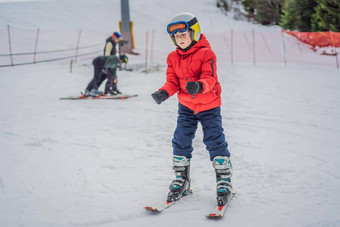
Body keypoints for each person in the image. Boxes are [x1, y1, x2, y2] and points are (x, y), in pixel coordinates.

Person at [151, 13, 233, 206]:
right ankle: (182, 178)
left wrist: (199, 86)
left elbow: (210, 78)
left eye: (183, 34)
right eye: (176, 37)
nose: (180, 39)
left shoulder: (207, 53)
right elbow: (172, 81)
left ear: (194, 33)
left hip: (209, 106)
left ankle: (224, 179)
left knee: (214, 140)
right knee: (180, 139)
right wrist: (164, 92)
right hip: (186, 107)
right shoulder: (172, 57)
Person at [84, 32, 123, 97]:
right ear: (114, 37)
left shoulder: (113, 44)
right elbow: (107, 55)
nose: (118, 40)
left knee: (104, 76)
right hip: (100, 62)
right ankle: (87, 91)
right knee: (97, 76)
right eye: (117, 39)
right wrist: (106, 66)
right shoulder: (110, 43)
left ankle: (94, 88)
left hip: (106, 62)